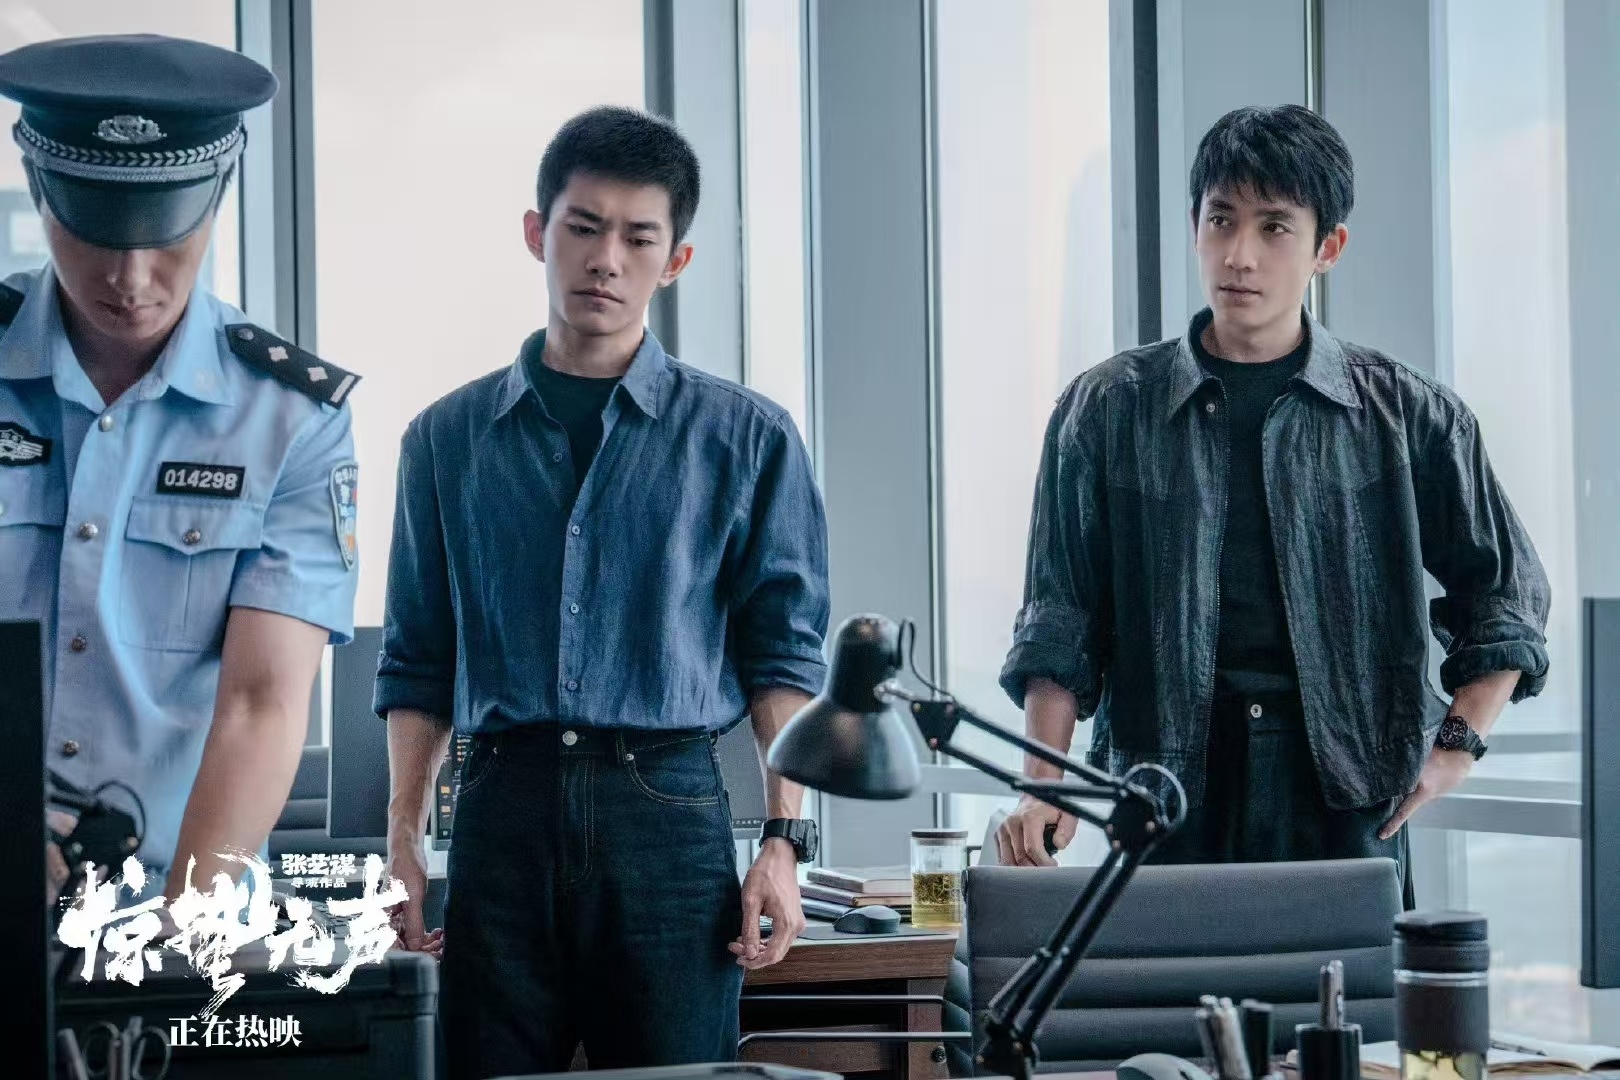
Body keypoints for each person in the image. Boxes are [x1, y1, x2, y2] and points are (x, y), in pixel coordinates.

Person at [996, 105, 1549, 902]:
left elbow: (1507, 595)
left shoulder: (1405, 413)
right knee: (1169, 987)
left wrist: (1457, 746)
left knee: (1343, 988)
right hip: (1166, 789)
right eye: (1220, 220)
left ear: (1329, 248)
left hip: (1344, 790)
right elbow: (1059, 619)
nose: (1239, 255)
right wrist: (1042, 785)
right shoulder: (1106, 409)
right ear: (1194, 227)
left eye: (1274, 228)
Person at [377, 105, 829, 1078]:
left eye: (638, 237)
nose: (606, 261)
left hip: (666, 816)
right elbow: (418, 659)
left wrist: (785, 841)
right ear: (536, 233)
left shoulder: (747, 439)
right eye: (583, 228)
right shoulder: (444, 441)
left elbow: (784, 656)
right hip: (501, 811)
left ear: (677, 260)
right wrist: (402, 839)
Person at [0, 35, 362, 905]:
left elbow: (262, 701)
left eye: (166, 232)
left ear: (219, 193)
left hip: (180, 899)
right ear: (40, 189)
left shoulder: (293, 418)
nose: (130, 277)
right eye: (95, 231)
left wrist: (181, 927)